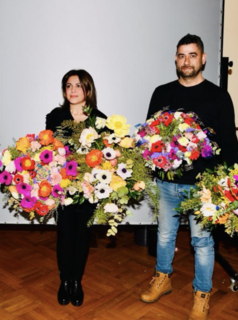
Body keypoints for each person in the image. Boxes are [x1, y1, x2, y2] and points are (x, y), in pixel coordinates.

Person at [140, 34, 238, 320]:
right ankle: (163, 278)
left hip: (204, 187)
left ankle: (202, 294)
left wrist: (229, 185)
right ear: (175, 59)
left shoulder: (219, 96)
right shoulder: (161, 93)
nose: (186, 61)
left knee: (203, 243)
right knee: (164, 236)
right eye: (181, 55)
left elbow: (230, 145)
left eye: (192, 55)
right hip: (167, 182)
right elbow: (148, 137)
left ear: (203, 58)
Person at [46, 69, 106, 306]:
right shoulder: (55, 116)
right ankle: (64, 281)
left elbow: (103, 155)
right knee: (64, 234)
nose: (73, 90)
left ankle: (77, 281)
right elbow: (51, 148)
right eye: (69, 86)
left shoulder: (99, 118)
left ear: (87, 90)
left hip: (88, 187)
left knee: (82, 236)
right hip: (62, 185)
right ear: (64, 90)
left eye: (78, 86)